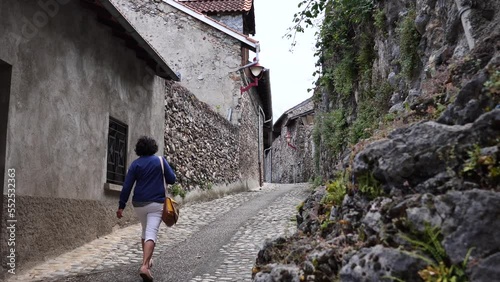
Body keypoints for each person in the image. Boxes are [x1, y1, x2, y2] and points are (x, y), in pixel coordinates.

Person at [116, 136, 176, 282]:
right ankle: (144, 266)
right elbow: (172, 179)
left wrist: (121, 206)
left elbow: (127, 187)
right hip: (156, 203)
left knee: (145, 230)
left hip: (138, 204)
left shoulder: (135, 165)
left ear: (139, 149)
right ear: (153, 148)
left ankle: (147, 261)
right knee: (151, 232)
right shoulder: (160, 161)